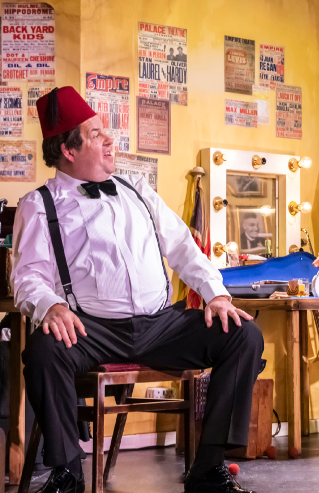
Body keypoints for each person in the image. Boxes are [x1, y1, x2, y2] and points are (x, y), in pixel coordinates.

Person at [12, 86, 263, 493]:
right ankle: (67, 474)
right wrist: (51, 305)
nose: (110, 139)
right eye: (96, 134)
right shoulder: (39, 204)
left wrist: (215, 294)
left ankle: (207, 468)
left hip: (160, 325)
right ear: (69, 150)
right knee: (43, 351)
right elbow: (27, 277)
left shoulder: (136, 190)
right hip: (91, 329)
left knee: (242, 334)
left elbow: (182, 246)